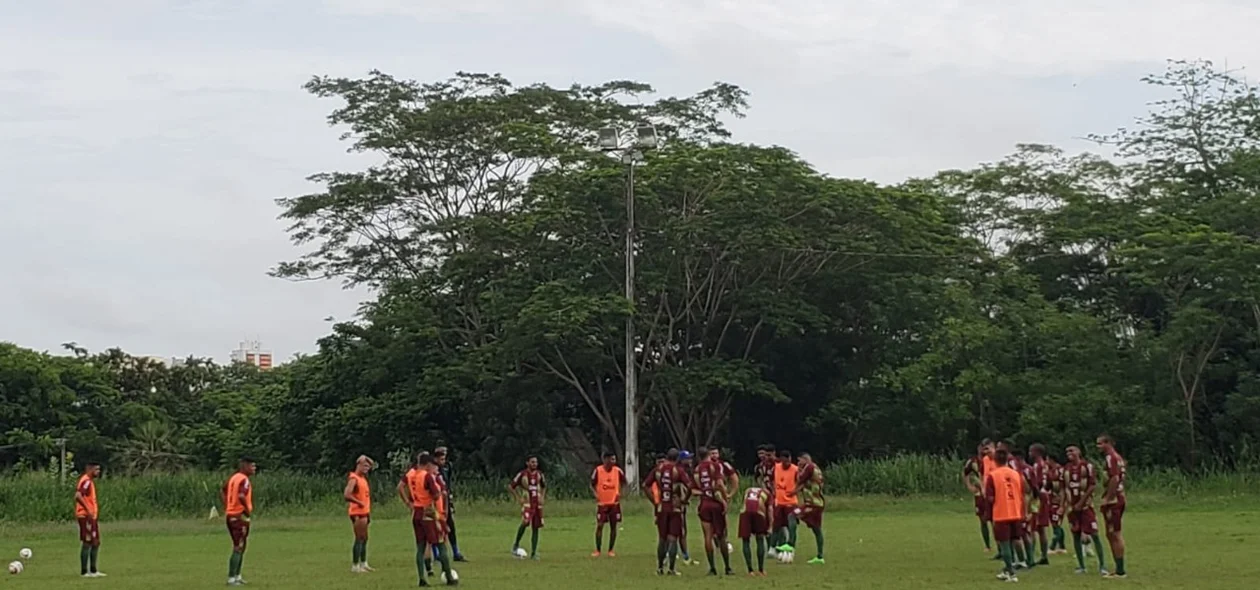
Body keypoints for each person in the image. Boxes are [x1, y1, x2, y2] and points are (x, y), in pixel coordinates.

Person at [400, 452, 455, 586]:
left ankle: (422, 578)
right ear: (428, 464)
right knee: (441, 543)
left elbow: (402, 487)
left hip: (417, 512)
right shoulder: (427, 476)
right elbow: (436, 495)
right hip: (429, 513)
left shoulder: (412, 475)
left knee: (420, 547)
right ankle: (449, 577)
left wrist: (409, 502)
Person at [643, 448, 695, 576]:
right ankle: (671, 569)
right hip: (675, 508)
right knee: (673, 539)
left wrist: (655, 501)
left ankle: (660, 568)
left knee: (662, 539)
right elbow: (690, 486)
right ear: (677, 459)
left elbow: (645, 485)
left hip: (662, 507)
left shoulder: (658, 470)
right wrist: (684, 500)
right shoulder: (678, 471)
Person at [985, 448, 1030, 582]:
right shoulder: (1016, 474)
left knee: (1004, 544)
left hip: (1001, 513)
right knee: (1014, 540)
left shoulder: (993, 476)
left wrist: (989, 513)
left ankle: (1011, 573)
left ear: (995, 460)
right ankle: (1010, 568)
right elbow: (1023, 492)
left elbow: (990, 498)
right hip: (1016, 512)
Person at [1063, 444, 1108, 575]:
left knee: (1094, 534)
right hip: (1072, 508)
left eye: (1071, 450)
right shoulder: (1066, 469)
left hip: (1086, 507)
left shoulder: (1087, 466)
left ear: (1078, 452)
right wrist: (1064, 505)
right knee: (1076, 535)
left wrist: (1082, 502)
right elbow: (1064, 489)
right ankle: (1081, 566)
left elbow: (1092, 485)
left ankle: (1102, 565)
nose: (1068, 453)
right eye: (1067, 451)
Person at [693, 449, 733, 575]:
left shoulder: (697, 469)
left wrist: (704, 492)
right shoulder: (715, 466)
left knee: (707, 537)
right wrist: (725, 499)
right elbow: (720, 484)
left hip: (704, 504)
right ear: (709, 455)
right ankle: (727, 567)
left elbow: (694, 489)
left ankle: (712, 568)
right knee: (721, 536)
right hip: (716, 504)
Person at [1097, 434, 1128, 579]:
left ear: (1108, 443)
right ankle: (1118, 568)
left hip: (1114, 500)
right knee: (1110, 533)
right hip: (1118, 497)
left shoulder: (1111, 458)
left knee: (1114, 532)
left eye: (1100, 444)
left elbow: (1115, 478)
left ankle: (1120, 570)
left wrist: (1108, 498)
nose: (1098, 447)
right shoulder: (1118, 458)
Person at [223, 457, 256, 587]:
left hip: (231, 515)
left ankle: (238, 576)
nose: (254, 468)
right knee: (238, 546)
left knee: (241, 546)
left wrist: (228, 505)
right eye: (252, 466)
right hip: (239, 517)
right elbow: (242, 495)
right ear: (245, 466)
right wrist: (246, 510)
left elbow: (223, 490)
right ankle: (232, 578)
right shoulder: (244, 480)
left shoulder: (234, 477)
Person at [509, 456, 546, 560]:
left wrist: (542, 497)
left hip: (537, 504)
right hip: (527, 503)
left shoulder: (539, 475)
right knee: (525, 522)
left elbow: (543, 486)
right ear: (527, 463)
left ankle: (534, 553)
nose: (535, 464)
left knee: (536, 527)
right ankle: (516, 544)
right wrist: (518, 498)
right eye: (532, 462)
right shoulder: (522, 474)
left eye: (536, 462)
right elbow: (511, 486)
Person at [590, 452, 627, 557]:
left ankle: (611, 550)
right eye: (612, 459)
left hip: (614, 503)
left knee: (613, 526)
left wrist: (621, 493)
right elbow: (591, 484)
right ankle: (598, 550)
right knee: (600, 525)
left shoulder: (618, 471)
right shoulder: (598, 470)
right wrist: (596, 494)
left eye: (614, 459)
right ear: (605, 460)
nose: (614, 462)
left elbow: (625, 483)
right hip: (602, 504)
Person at [434, 447, 467, 562]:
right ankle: (436, 554)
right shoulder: (433, 470)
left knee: (450, 526)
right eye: (441, 459)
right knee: (435, 528)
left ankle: (456, 552)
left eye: (444, 458)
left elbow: (447, 485)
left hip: (446, 500)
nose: (443, 461)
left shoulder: (447, 467)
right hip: (436, 502)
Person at [345, 455, 376, 573]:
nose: (366, 468)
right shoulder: (354, 478)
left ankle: (364, 563)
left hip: (365, 512)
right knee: (359, 538)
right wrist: (359, 502)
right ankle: (355, 565)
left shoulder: (363, 478)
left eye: (368, 466)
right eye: (364, 465)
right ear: (358, 465)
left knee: (365, 538)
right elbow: (347, 494)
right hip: (357, 512)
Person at [75, 462, 105, 578]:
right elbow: (78, 496)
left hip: (91, 517)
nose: (98, 472)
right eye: (96, 469)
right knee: (87, 541)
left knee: (96, 542)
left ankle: (93, 570)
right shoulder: (86, 481)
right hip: (85, 516)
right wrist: (88, 509)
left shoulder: (89, 481)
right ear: (90, 469)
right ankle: (84, 572)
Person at [794, 452, 826, 564]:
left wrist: (798, 469)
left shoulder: (809, 467)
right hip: (817, 503)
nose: (798, 463)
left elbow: (799, 479)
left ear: (805, 459)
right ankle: (820, 556)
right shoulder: (816, 468)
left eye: (799, 461)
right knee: (816, 529)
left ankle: (790, 544)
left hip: (812, 504)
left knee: (792, 515)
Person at [963, 444, 993, 553]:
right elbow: (965, 473)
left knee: (995, 519)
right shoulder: (973, 461)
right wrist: (969, 486)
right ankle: (987, 545)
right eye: (982, 448)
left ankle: (1000, 544)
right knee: (982, 519)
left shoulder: (992, 460)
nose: (983, 450)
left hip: (990, 493)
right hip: (979, 494)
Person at [738, 485, 773, 576]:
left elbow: (744, 502)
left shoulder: (748, 489)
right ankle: (761, 570)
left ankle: (750, 570)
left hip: (745, 513)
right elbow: (770, 510)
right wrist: (770, 526)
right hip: (759, 512)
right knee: (760, 538)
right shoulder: (768, 494)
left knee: (745, 540)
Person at [1027, 444, 1052, 566]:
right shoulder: (1046, 465)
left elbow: (1036, 483)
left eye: (1031, 451)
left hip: (1039, 497)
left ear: (1036, 452)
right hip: (1045, 495)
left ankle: (1030, 556)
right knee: (1041, 528)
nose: (1029, 454)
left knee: (1032, 526)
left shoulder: (1038, 465)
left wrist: (1032, 498)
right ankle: (1044, 555)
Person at [771, 449, 800, 553]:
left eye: (788, 461)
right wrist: (773, 489)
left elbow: (801, 483)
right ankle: (773, 547)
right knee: (776, 525)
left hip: (791, 502)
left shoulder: (795, 469)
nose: (786, 463)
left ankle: (791, 545)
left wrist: (795, 491)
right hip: (779, 501)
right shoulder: (776, 467)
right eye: (784, 461)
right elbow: (771, 479)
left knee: (791, 525)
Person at [677, 449, 697, 565]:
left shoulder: (686, 471)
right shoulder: (681, 472)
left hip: (681, 504)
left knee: (682, 530)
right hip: (679, 505)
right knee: (681, 531)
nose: (690, 460)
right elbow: (689, 487)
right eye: (687, 458)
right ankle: (685, 556)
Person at [1046, 453, 1068, 554]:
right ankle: (1062, 547)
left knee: (1056, 525)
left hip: (1058, 502)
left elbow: (1063, 488)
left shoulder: (1060, 471)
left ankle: (1052, 547)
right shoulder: (1050, 471)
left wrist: (1062, 504)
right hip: (1052, 501)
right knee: (1057, 524)